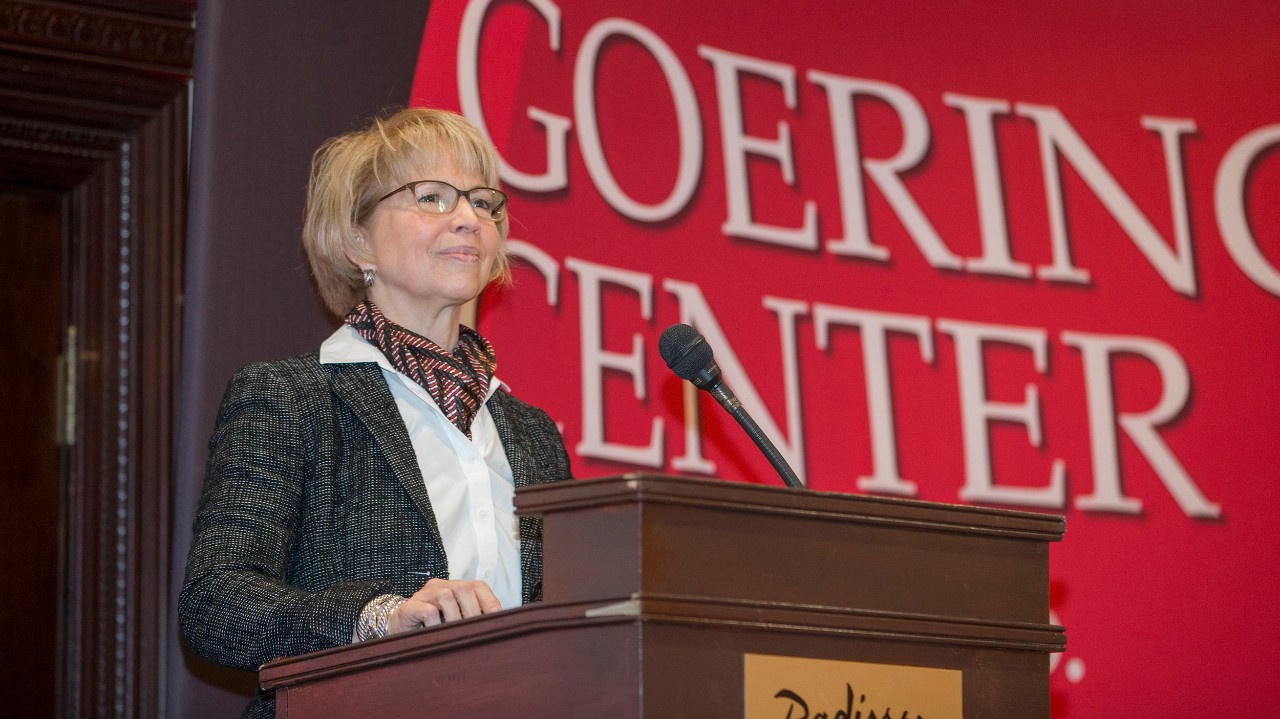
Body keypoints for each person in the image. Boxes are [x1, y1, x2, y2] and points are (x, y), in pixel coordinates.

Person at [178, 107, 572, 719]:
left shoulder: (533, 434)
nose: (468, 218)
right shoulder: (289, 398)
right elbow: (216, 605)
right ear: (357, 239)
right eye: (433, 198)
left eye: (482, 202)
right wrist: (378, 618)